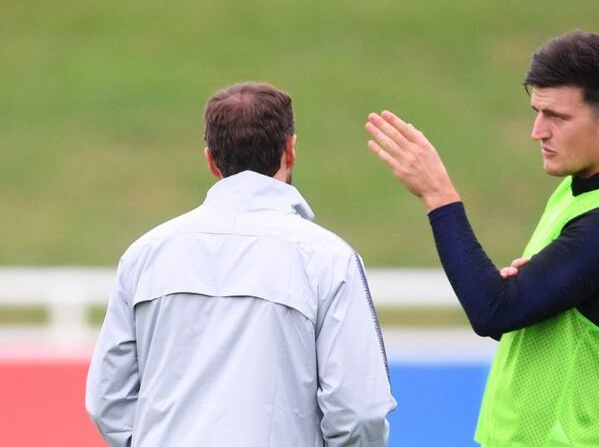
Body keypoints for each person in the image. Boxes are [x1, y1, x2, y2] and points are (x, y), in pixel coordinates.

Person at [365, 30, 599, 446]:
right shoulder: (579, 192)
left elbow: (493, 310)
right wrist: (526, 293)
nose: (537, 131)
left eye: (557, 117)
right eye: (537, 112)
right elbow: (516, 314)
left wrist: (438, 194)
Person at [86, 82, 396, 447]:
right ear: (290, 149)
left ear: (211, 160)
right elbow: (359, 412)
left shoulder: (145, 254)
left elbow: (108, 401)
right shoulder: (329, 259)